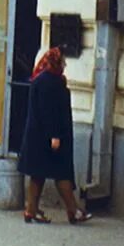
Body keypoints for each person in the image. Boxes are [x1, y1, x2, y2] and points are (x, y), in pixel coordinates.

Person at [17, 47, 92, 224]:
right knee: (61, 172)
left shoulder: (42, 78)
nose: (65, 64)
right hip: (51, 137)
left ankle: (31, 210)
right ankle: (73, 211)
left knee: (38, 173)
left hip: (38, 137)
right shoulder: (51, 81)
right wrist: (54, 136)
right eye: (62, 61)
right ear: (56, 62)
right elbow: (48, 111)